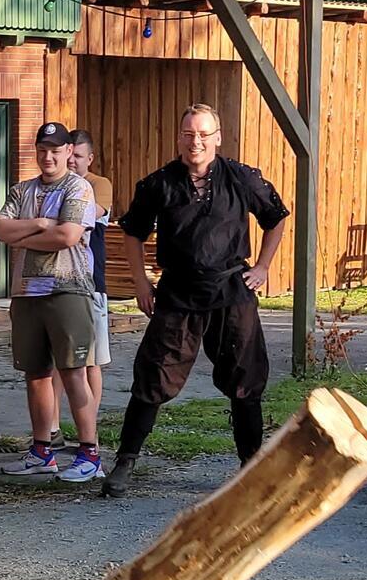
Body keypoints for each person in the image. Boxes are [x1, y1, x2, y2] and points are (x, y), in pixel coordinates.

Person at [103, 103, 289, 497]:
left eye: (204, 134)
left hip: (231, 290)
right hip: (178, 292)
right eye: (189, 134)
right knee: (152, 375)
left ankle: (251, 466)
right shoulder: (160, 183)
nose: (196, 142)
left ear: (218, 138)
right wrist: (140, 283)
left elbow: (275, 217)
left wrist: (263, 267)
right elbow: (133, 232)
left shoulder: (241, 178)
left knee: (245, 379)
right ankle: (125, 461)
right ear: (180, 138)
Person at [0, 122, 102, 482]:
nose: (48, 157)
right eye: (42, 150)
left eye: (56, 150)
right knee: (35, 373)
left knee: (73, 373)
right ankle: (42, 450)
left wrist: (25, 234)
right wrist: (40, 224)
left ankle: (89, 453)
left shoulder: (78, 188)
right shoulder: (22, 189)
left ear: (69, 151)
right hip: (26, 293)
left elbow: (68, 235)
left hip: (67, 290)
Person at [66, 128, 114, 452]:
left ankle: (90, 433)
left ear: (90, 158)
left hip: (91, 283)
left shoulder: (100, 185)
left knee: (91, 361)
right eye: (68, 157)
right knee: (62, 364)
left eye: (78, 158)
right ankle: (53, 429)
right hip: (60, 286)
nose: (71, 163)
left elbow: (88, 215)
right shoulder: (56, 185)